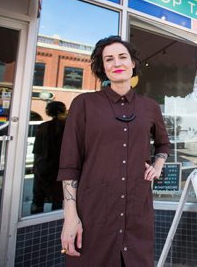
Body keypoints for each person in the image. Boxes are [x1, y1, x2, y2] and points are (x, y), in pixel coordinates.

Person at [58, 35, 170, 267]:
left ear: (132, 63)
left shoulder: (150, 107)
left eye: (122, 57)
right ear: (102, 67)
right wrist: (70, 216)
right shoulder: (84, 103)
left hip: (138, 211)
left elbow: (163, 144)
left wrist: (158, 166)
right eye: (108, 59)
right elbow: (70, 162)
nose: (116, 63)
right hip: (94, 212)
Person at [31, 101, 66, 214]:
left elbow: (37, 150)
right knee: (58, 199)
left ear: (48, 111)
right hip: (58, 166)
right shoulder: (67, 126)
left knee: (38, 198)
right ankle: (55, 222)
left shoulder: (42, 127)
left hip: (43, 166)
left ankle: (34, 221)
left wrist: (35, 166)